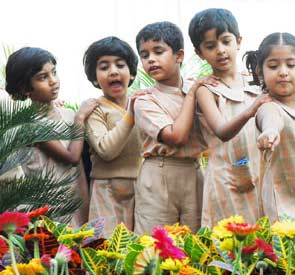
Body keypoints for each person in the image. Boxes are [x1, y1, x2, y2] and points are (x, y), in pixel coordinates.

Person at [189, 8, 271, 227]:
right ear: (199, 52)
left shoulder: (256, 81)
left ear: (238, 41)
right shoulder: (206, 89)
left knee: (262, 240)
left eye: (226, 41)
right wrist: (250, 110)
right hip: (224, 180)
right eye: (210, 46)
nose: (220, 51)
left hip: (259, 173)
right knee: (228, 243)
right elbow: (222, 131)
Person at [133, 21, 217, 234]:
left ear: (179, 56)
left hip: (194, 171)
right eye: (144, 55)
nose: (151, 59)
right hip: (159, 173)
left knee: (196, 243)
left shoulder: (200, 90)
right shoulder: (144, 100)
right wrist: (192, 94)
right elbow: (176, 137)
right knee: (155, 246)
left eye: (158, 51)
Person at [5, 47, 96, 226]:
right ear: (25, 88)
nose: (53, 81)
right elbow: (71, 158)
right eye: (43, 77)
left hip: (78, 202)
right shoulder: (30, 124)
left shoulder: (68, 115)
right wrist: (80, 118)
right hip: (49, 211)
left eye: (54, 72)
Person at [244, 32, 295, 222]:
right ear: (260, 72)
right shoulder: (267, 105)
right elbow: (272, 120)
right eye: (273, 66)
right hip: (285, 203)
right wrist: (270, 131)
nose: (283, 71)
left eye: (291, 65)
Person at [82, 36, 143, 237]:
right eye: (104, 67)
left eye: (120, 65)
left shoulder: (144, 104)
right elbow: (106, 150)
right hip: (105, 191)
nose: (113, 71)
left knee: (140, 252)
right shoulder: (95, 109)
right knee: (105, 252)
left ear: (131, 72)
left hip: (142, 189)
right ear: (94, 76)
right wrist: (131, 116)